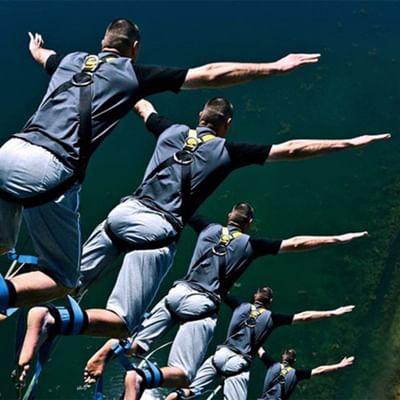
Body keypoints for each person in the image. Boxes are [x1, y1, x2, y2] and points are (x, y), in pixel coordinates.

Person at [14, 95, 388, 384]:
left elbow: (143, 106)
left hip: (124, 213)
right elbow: (293, 167)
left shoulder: (174, 140)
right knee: (138, 333)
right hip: (186, 282)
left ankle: (10, 294)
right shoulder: (230, 167)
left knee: (66, 280)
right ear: (227, 124)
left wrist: (130, 83)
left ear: (200, 117)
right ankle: (65, 328)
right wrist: (351, 145)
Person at [0, 19, 320, 314]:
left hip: (9, 151)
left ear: (103, 41)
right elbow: (211, 74)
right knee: (63, 278)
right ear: (135, 50)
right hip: (50, 169)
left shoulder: (68, 61)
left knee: (3, 244)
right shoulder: (133, 76)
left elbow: (45, 56)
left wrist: (36, 49)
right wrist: (275, 68)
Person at [82, 203, 366, 390]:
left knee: (134, 343)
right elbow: (296, 244)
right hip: (205, 308)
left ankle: (114, 348)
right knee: (182, 375)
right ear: (250, 224)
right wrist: (339, 239)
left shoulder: (207, 228)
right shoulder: (252, 247)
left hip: (177, 293)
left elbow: (180, 206)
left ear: (229, 217)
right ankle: (141, 378)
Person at [159, 287, 354, 400]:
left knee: (190, 390)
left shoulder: (240, 306)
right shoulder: (272, 322)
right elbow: (304, 317)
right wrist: (334, 312)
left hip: (219, 355)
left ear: (254, 297)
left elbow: (220, 289)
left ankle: (173, 397)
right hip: (238, 363)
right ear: (269, 302)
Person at [256, 347, 354, 399]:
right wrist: (338, 365)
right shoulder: (297, 374)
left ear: (283, 356)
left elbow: (260, 350)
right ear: (294, 361)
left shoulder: (272, 364)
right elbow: (320, 370)